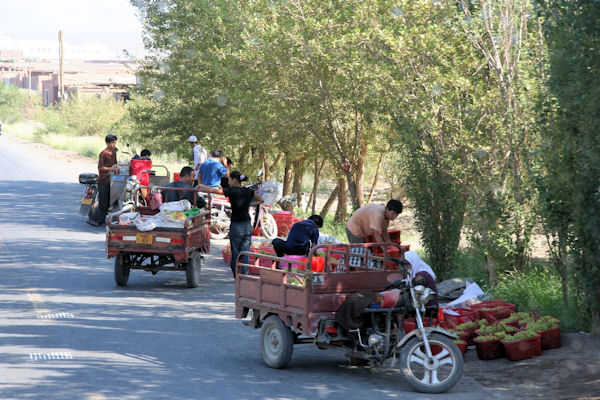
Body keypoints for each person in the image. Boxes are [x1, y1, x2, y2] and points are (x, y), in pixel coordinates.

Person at [197, 171, 263, 277]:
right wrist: (249, 204)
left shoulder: (232, 191)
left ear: (233, 179)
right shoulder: (249, 191)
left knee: (236, 252)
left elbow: (213, 190)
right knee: (245, 252)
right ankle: (244, 275)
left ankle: (236, 275)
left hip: (236, 226)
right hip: (247, 225)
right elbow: (261, 200)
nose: (228, 182)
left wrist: (201, 185)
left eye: (229, 180)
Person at [87, 134, 119, 226]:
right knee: (103, 201)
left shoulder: (114, 152)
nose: (114, 144)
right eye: (112, 142)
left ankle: (101, 219)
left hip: (112, 180)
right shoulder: (103, 154)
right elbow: (100, 168)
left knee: (109, 201)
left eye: (115, 142)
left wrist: (117, 168)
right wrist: (111, 169)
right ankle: (95, 219)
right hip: (104, 180)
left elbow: (115, 164)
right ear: (107, 143)